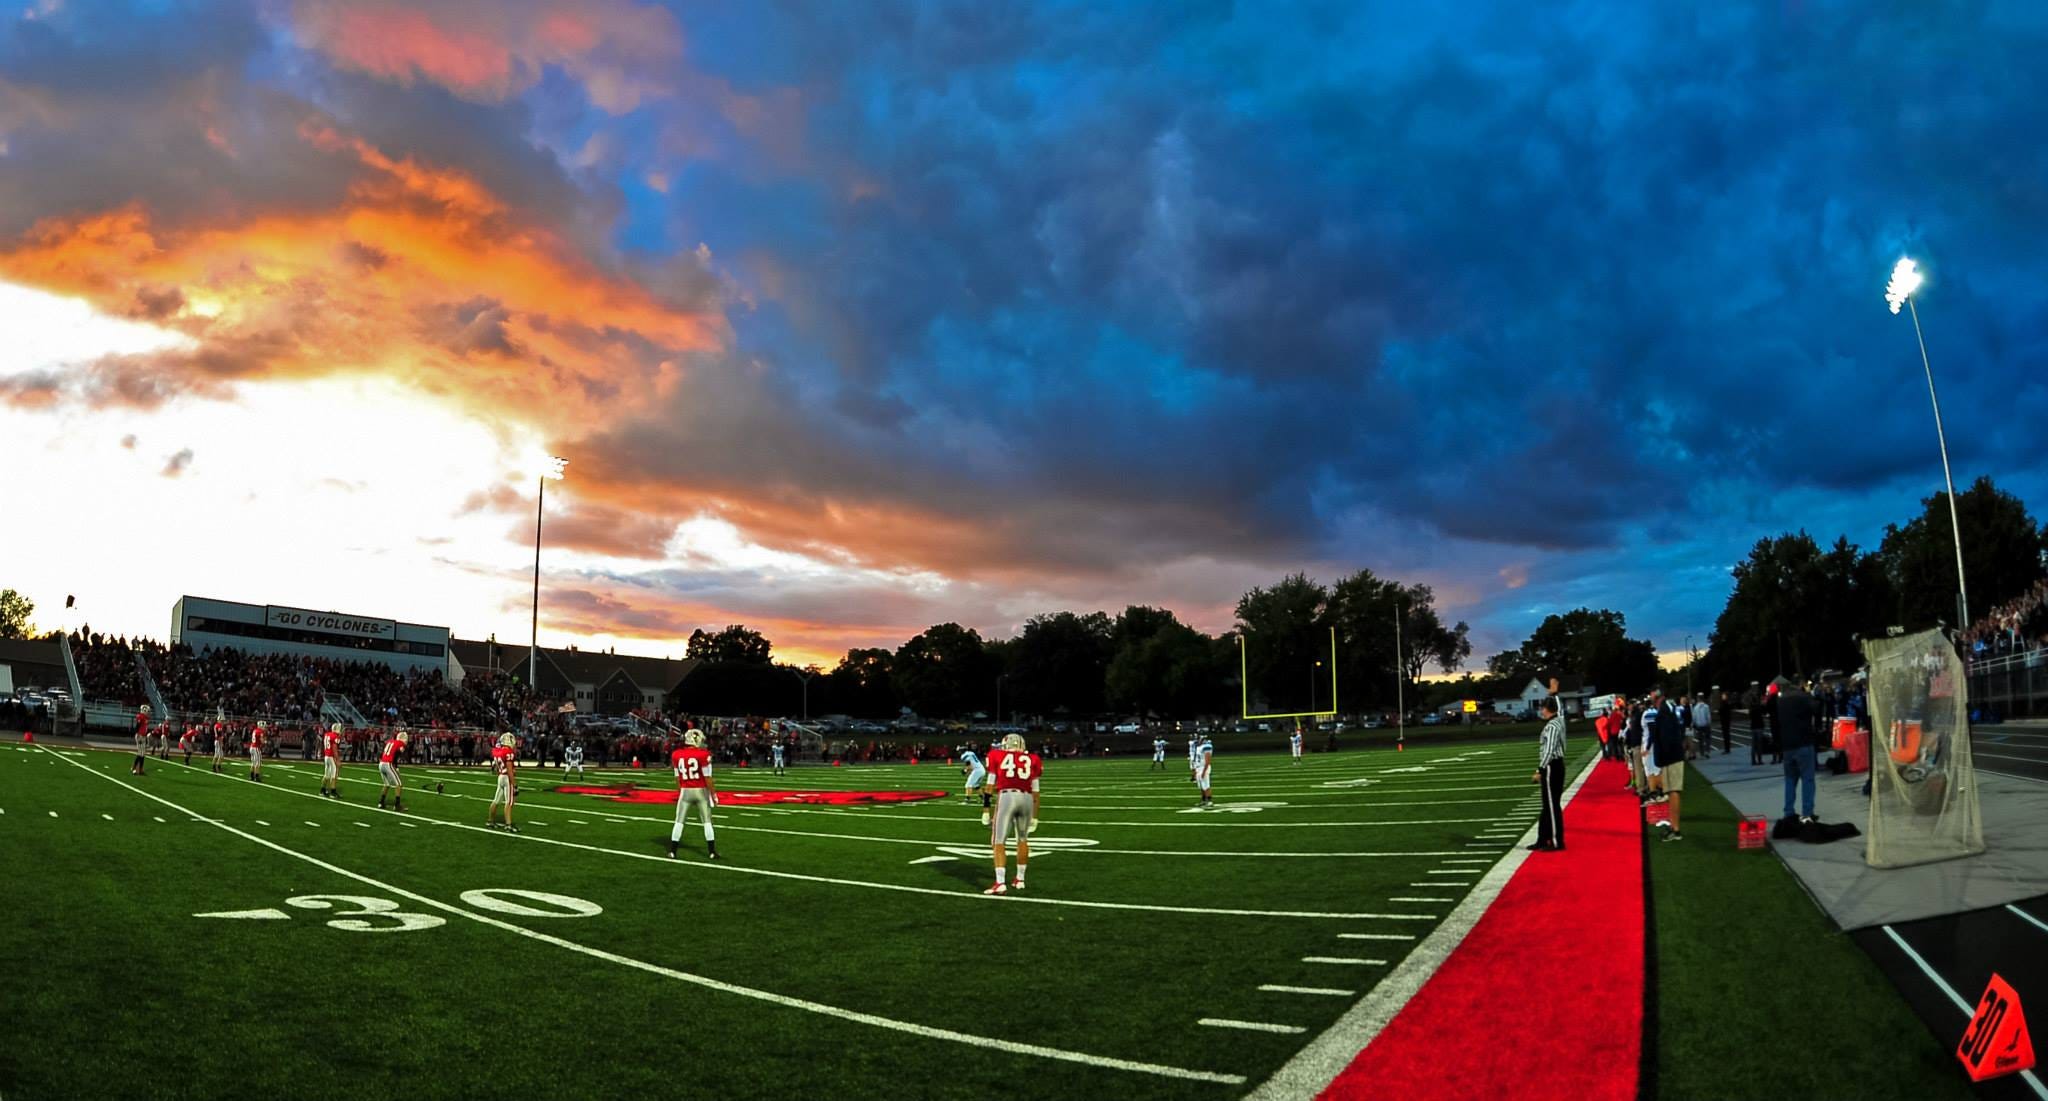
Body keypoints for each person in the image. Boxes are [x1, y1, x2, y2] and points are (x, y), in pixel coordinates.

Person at [983, 733, 1041, 895]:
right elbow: (1036, 792)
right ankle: (1020, 879)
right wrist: (1035, 816)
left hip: (1007, 797)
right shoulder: (1033, 759)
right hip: (1027, 798)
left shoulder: (996, 755)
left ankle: (1000, 883)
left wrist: (986, 810)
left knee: (998, 841)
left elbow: (989, 786)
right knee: (1022, 839)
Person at [1774, 681, 1821, 824]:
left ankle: (1789, 812)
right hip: (1804, 743)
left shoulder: (1781, 701)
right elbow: (1817, 709)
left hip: (1787, 745)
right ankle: (1807, 813)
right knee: (1807, 779)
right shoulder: (1804, 697)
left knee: (1790, 779)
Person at [668, 728, 718, 860]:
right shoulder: (703, 754)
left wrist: (680, 792)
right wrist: (713, 794)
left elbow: (677, 778)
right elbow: (707, 778)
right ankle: (712, 852)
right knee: (707, 821)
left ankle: (672, 851)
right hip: (700, 791)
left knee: (679, 821)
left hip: (685, 791)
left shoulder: (677, 754)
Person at [1530, 688, 1566, 851]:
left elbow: (1549, 750)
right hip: (1556, 766)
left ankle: (1556, 841)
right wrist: (1554, 694)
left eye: (1543, 708)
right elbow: (1560, 708)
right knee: (1548, 805)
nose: (1541, 711)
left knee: (1551, 806)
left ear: (1547, 709)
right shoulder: (1559, 720)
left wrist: (1540, 769)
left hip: (1552, 766)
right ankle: (1543, 839)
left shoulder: (1552, 726)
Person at [1652, 692, 1687, 842]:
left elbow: (1665, 738)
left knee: (1673, 792)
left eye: (1653, 698)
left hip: (1671, 757)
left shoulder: (1665, 712)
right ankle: (1674, 827)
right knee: (1671, 792)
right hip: (1672, 756)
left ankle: (1676, 830)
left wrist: (1661, 760)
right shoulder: (1669, 709)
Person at [486, 733, 518, 832]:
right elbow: (509, 769)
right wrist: (515, 784)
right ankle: (508, 825)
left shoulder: (497, 751)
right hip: (507, 777)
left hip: (500, 776)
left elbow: (497, 767)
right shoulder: (508, 752)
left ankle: (490, 821)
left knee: (496, 800)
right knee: (509, 802)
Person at [377, 729, 409, 811]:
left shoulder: (390, 741)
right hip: (388, 764)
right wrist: (396, 767)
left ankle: (381, 802)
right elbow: (396, 755)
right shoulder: (401, 744)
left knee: (387, 784)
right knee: (399, 784)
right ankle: (397, 805)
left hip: (381, 763)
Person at [319, 722, 343, 799]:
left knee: (326, 775)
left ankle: (322, 790)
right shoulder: (335, 736)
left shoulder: (327, 734)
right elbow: (334, 749)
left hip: (326, 756)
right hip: (331, 757)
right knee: (333, 775)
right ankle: (333, 792)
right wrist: (338, 760)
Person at [1194, 733, 1215, 809]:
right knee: (1201, 786)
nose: (1197, 740)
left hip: (1203, 768)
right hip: (1199, 768)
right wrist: (1195, 770)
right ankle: (1203, 800)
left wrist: (1204, 771)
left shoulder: (1206, 746)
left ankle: (1209, 801)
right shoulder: (1198, 747)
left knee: (1206, 785)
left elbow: (1208, 760)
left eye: (1198, 738)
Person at [132, 704, 151, 776]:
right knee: (140, 753)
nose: (148, 712)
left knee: (143, 754)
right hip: (139, 736)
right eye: (147, 711)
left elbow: (144, 728)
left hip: (143, 736)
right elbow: (137, 726)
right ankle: (134, 768)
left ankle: (140, 769)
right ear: (144, 710)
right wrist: (138, 735)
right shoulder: (140, 716)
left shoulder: (146, 717)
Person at [1717, 690, 1734, 755]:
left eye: (1723, 696)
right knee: (1726, 735)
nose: (1722, 696)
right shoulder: (1726, 703)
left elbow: (1721, 710)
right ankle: (1727, 748)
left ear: (1726, 696)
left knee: (1726, 735)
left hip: (1725, 721)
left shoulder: (1725, 703)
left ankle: (1727, 749)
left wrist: (1719, 711)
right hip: (1726, 721)